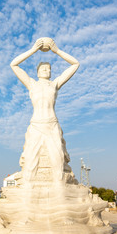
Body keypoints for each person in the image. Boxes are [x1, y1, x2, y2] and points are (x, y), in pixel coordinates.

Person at [10, 38, 80, 183]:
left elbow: (75, 64)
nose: (46, 70)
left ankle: (59, 191)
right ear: (37, 72)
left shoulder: (54, 84)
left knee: (58, 159)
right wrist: (33, 49)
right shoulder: (32, 84)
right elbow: (14, 64)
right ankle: (28, 196)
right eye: (43, 68)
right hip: (36, 125)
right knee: (30, 162)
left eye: (49, 69)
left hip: (52, 124)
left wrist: (57, 50)